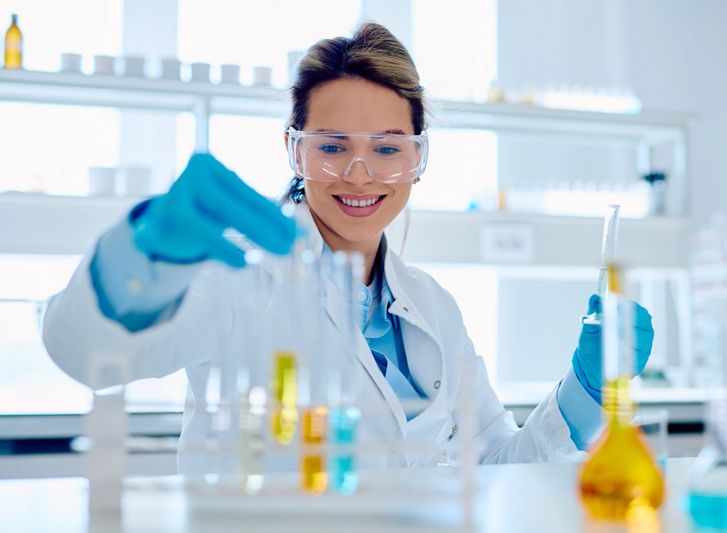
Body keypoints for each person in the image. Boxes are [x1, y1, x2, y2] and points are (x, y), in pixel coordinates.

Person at [42, 22, 653, 471]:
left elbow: (495, 470)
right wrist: (139, 259)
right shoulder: (238, 276)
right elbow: (88, 355)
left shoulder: (434, 308)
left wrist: (584, 393)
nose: (360, 175)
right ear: (294, 151)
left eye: (388, 149)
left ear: (418, 159)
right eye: (332, 146)